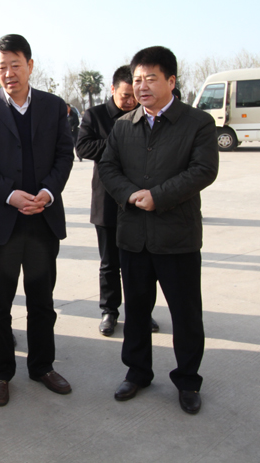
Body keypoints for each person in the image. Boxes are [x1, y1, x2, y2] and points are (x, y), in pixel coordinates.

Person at [98, 46, 218, 415]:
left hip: (177, 237)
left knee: (185, 314)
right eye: (137, 80)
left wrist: (158, 197)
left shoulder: (197, 123)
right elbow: (108, 167)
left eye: (151, 78)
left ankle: (187, 379)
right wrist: (130, 194)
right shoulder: (124, 125)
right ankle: (137, 372)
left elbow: (203, 170)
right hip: (133, 237)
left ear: (171, 80)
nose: (142, 86)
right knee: (136, 310)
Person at [0, 34, 74, 406]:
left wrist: (48, 191)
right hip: (0, 223)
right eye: (2, 67)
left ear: (30, 65)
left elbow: (64, 155)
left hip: (43, 220)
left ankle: (42, 366)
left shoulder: (53, 106)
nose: (9, 73)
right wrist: (10, 194)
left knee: (42, 302)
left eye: (15, 65)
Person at [76, 66, 160, 337]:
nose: (130, 101)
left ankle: (142, 312)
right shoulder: (95, 115)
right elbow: (83, 147)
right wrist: (117, 142)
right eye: (125, 95)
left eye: (133, 95)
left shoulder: (146, 113)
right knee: (110, 263)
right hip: (107, 200)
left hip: (140, 199)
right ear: (112, 90)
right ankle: (109, 311)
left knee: (141, 264)